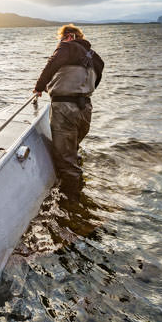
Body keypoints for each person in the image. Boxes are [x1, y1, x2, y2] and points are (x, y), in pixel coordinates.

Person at [34, 24, 104, 201]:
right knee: (73, 148)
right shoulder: (96, 58)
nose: (60, 42)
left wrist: (39, 87)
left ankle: (71, 200)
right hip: (85, 108)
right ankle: (79, 183)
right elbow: (96, 83)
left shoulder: (67, 47)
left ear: (69, 36)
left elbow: (51, 65)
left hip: (65, 107)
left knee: (65, 156)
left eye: (61, 38)